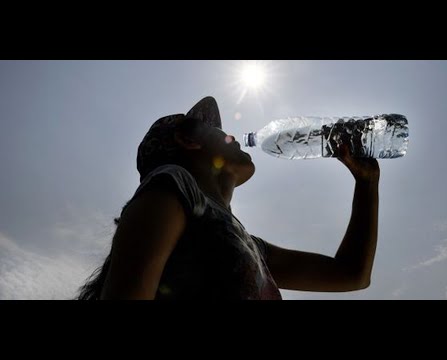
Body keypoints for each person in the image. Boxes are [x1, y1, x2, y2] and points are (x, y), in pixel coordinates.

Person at [77, 97, 380, 300]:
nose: (231, 136)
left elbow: (352, 274)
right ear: (187, 140)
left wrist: (367, 183)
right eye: (216, 130)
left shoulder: (248, 244)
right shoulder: (172, 186)